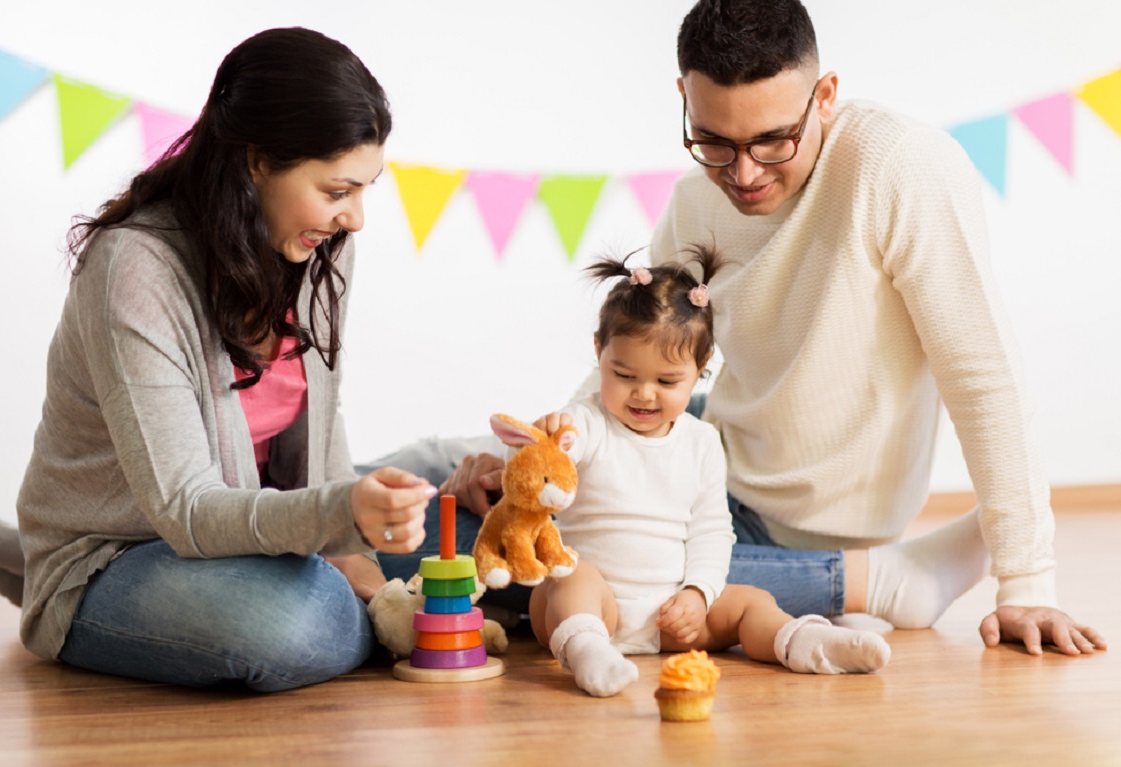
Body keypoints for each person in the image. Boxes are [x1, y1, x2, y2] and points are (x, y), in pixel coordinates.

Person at [423, 0, 1108, 657]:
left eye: (772, 141)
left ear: (827, 95)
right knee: (450, 475)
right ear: (684, 97)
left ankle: (883, 580)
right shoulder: (700, 197)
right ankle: (346, 497)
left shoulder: (896, 167)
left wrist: (1027, 583)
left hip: (797, 513)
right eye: (714, 141)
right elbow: (638, 356)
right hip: (715, 448)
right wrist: (547, 453)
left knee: (462, 550)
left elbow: (981, 373)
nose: (743, 174)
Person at [0, 27, 434, 692]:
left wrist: (350, 542)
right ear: (257, 162)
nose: (356, 216)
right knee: (296, 621)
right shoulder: (134, 267)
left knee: (481, 527)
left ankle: (387, 587)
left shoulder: (320, 250)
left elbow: (323, 433)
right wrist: (345, 539)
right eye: (337, 191)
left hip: (257, 524)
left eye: (365, 188)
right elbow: (185, 508)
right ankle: (379, 606)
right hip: (119, 557)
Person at [529, 247, 890, 697]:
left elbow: (712, 531)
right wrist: (547, 444)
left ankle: (807, 643)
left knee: (751, 603)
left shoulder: (701, 443)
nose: (644, 394)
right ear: (599, 350)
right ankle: (587, 653)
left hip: (670, 613)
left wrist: (697, 595)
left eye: (666, 381)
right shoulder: (585, 422)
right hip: (596, 607)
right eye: (623, 375)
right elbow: (538, 474)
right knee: (569, 577)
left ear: (701, 370)